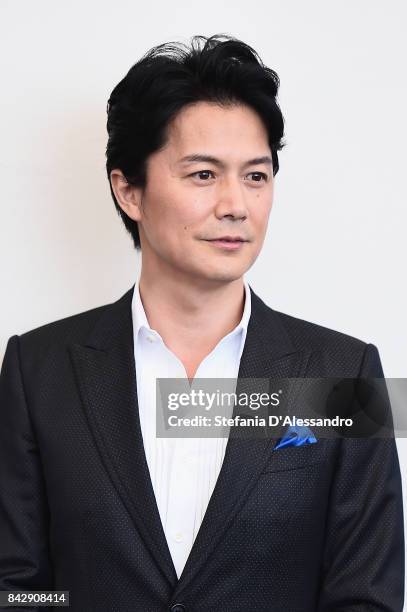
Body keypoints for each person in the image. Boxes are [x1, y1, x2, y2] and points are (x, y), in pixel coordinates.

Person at [0, 34, 404, 611]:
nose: (236, 204)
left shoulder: (345, 373)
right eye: (204, 175)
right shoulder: (37, 371)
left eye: (256, 176)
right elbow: (19, 589)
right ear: (129, 191)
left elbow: (365, 595)